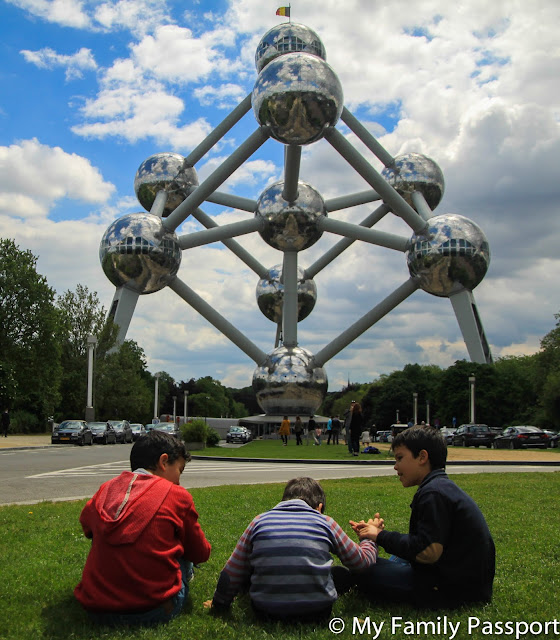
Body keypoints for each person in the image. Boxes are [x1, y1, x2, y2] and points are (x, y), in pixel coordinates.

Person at [74, 430, 211, 626]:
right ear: (163, 462)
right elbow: (200, 553)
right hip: (153, 610)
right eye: (179, 470)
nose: (179, 481)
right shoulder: (177, 495)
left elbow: (87, 527)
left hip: (96, 609)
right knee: (183, 543)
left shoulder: (106, 489)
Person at [349, 426, 495, 609]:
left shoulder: (432, 493)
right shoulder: (440, 487)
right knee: (387, 559)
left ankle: (362, 565)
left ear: (422, 457)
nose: (395, 466)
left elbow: (427, 552)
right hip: (460, 578)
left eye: (400, 458)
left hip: (448, 589)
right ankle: (372, 557)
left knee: (362, 569)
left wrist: (379, 536)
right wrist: (377, 534)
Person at [206, 477, 381, 622]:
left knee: (250, 570)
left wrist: (219, 603)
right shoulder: (325, 521)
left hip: (265, 612)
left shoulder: (259, 521)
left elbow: (232, 571)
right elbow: (361, 563)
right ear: (319, 507)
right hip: (317, 612)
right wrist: (369, 538)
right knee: (340, 574)